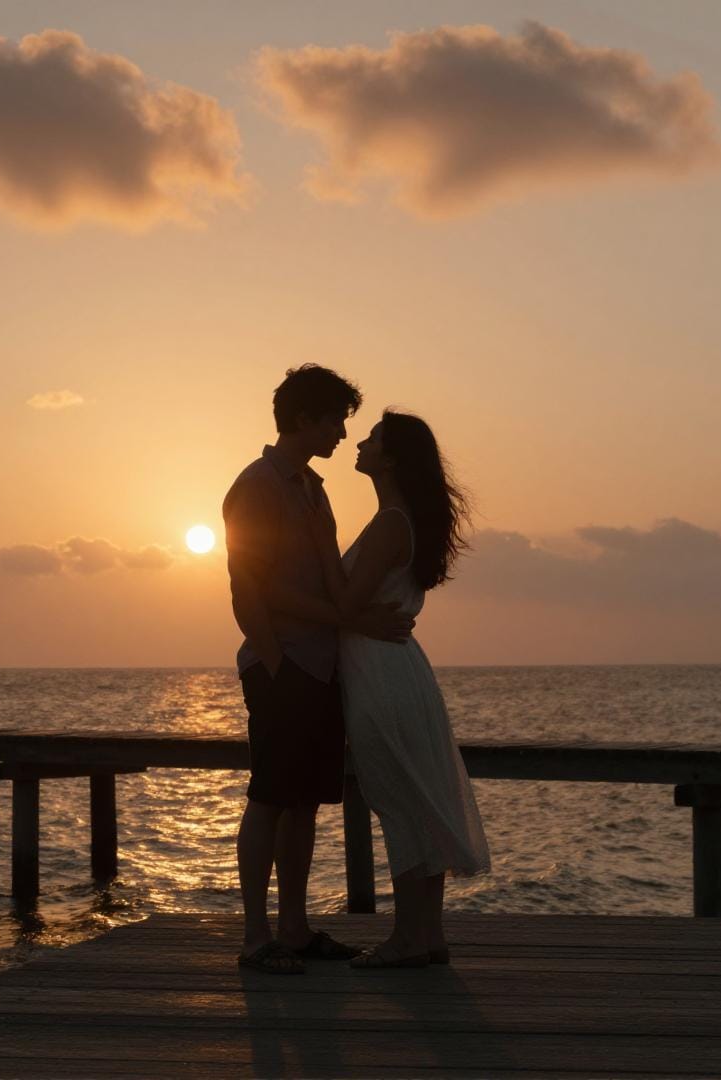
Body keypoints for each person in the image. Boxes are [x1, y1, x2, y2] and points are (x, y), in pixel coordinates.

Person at [222, 365, 415, 975]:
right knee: (270, 797)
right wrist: (278, 661)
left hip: (323, 664)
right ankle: (257, 938)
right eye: (333, 419)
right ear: (303, 419)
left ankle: (295, 929)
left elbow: (333, 583)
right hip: (284, 663)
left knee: (303, 801)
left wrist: (360, 623)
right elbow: (252, 587)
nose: (340, 432)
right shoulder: (257, 485)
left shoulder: (314, 488)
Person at [318, 411, 491, 968]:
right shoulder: (399, 518)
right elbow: (359, 607)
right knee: (411, 800)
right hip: (394, 667)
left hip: (380, 673)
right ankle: (425, 935)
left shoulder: (392, 521)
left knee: (398, 801)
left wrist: (319, 550)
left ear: (389, 458)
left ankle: (408, 939)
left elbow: (346, 604)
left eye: (371, 438)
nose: (359, 443)